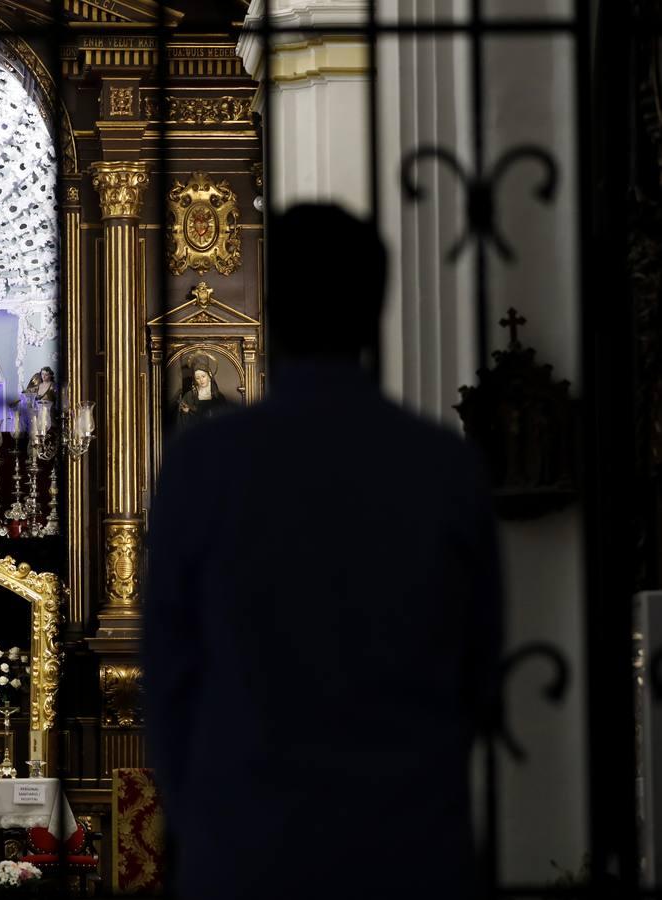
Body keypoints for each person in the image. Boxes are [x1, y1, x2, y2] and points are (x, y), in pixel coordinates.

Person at [145, 204, 502, 900]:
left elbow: (169, 670)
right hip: (408, 848)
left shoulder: (205, 463)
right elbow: (479, 674)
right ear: (376, 305)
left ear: (273, 310)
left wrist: (196, 821)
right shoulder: (441, 466)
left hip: (245, 847)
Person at [172, 354, 231, 429]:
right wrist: (186, 413)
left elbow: (225, 420)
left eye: (203, 376)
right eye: (197, 378)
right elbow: (182, 423)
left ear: (209, 375)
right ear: (195, 379)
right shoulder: (189, 396)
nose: (201, 380)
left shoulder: (218, 396)